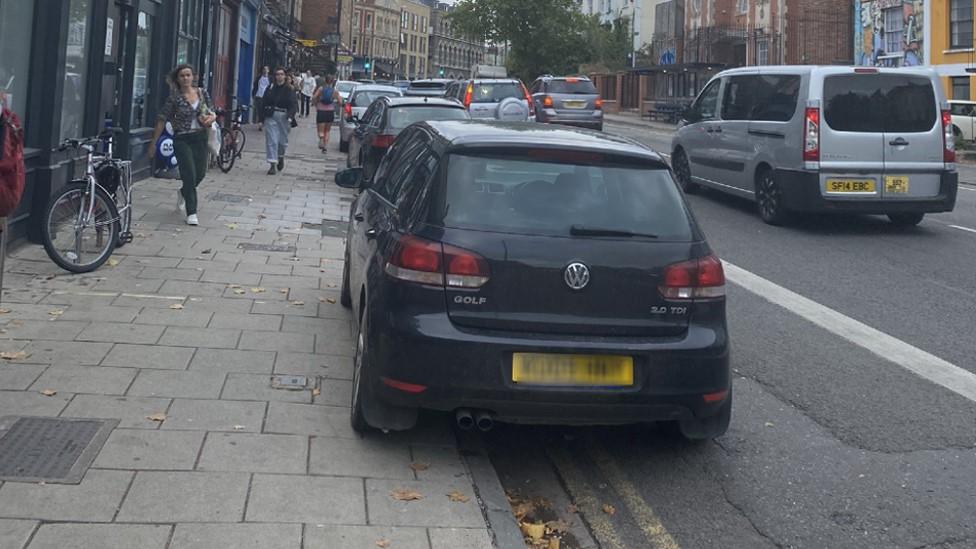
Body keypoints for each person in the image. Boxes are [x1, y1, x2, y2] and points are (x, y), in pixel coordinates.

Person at [151, 64, 215, 226]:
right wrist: (153, 143)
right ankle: (192, 212)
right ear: (177, 79)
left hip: (200, 137)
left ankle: (183, 191)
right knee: (189, 174)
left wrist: (211, 118)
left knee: (200, 173)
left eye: (188, 75)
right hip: (182, 139)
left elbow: (211, 111)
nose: (186, 78)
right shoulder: (174, 98)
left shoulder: (202, 93)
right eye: (182, 76)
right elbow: (161, 119)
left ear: (193, 77)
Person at [262, 67, 298, 175]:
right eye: (277, 74)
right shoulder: (270, 88)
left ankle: (280, 156)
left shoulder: (289, 89)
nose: (279, 76)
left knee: (282, 141)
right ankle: (272, 164)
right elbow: (264, 102)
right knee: (271, 140)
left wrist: (290, 116)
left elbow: (293, 104)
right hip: (271, 115)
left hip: (284, 116)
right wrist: (261, 117)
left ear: (285, 76)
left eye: (281, 74)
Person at [312, 75, 342, 153]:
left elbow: (314, 97)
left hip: (321, 111)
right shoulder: (334, 91)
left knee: (320, 129)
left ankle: (321, 138)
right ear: (333, 82)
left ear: (325, 81)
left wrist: (316, 104)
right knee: (327, 131)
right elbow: (340, 102)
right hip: (330, 112)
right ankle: (325, 147)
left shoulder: (321, 89)